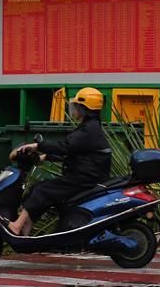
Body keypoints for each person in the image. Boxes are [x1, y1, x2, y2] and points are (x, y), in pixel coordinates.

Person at [8, 87, 112, 236]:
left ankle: (17, 225)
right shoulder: (90, 127)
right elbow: (75, 152)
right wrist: (45, 157)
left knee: (42, 189)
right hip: (85, 176)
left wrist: (37, 146)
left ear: (84, 109)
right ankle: (27, 227)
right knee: (41, 190)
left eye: (76, 106)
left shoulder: (88, 129)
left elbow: (65, 147)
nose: (74, 110)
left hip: (84, 179)